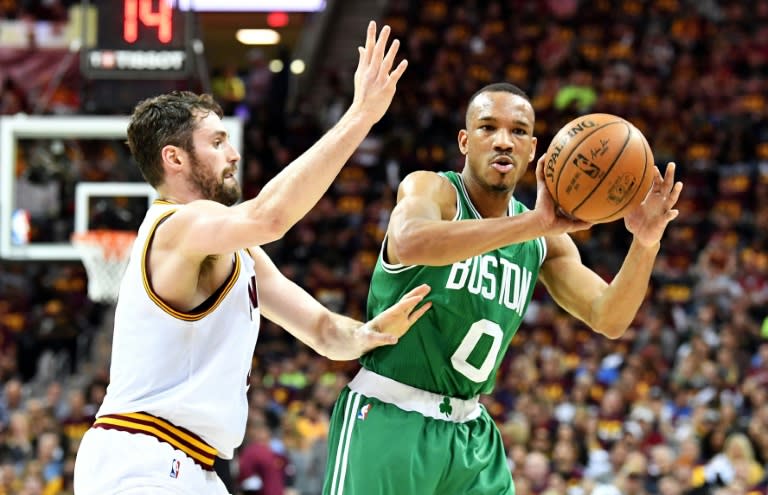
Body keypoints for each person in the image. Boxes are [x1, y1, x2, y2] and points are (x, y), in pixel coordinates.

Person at [73, 22, 432, 495]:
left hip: (191, 466)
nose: (234, 154)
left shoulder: (238, 253)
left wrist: (368, 334)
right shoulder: (176, 227)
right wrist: (360, 116)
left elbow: (324, 332)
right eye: (218, 142)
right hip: (143, 458)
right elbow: (271, 215)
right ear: (175, 159)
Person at [322, 82, 683, 495]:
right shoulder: (433, 190)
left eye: (517, 131)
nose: (503, 142)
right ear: (464, 141)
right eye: (488, 128)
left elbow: (609, 317)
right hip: (389, 415)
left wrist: (646, 242)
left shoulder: (543, 240)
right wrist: (533, 224)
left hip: (471, 433)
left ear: (533, 149)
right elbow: (409, 240)